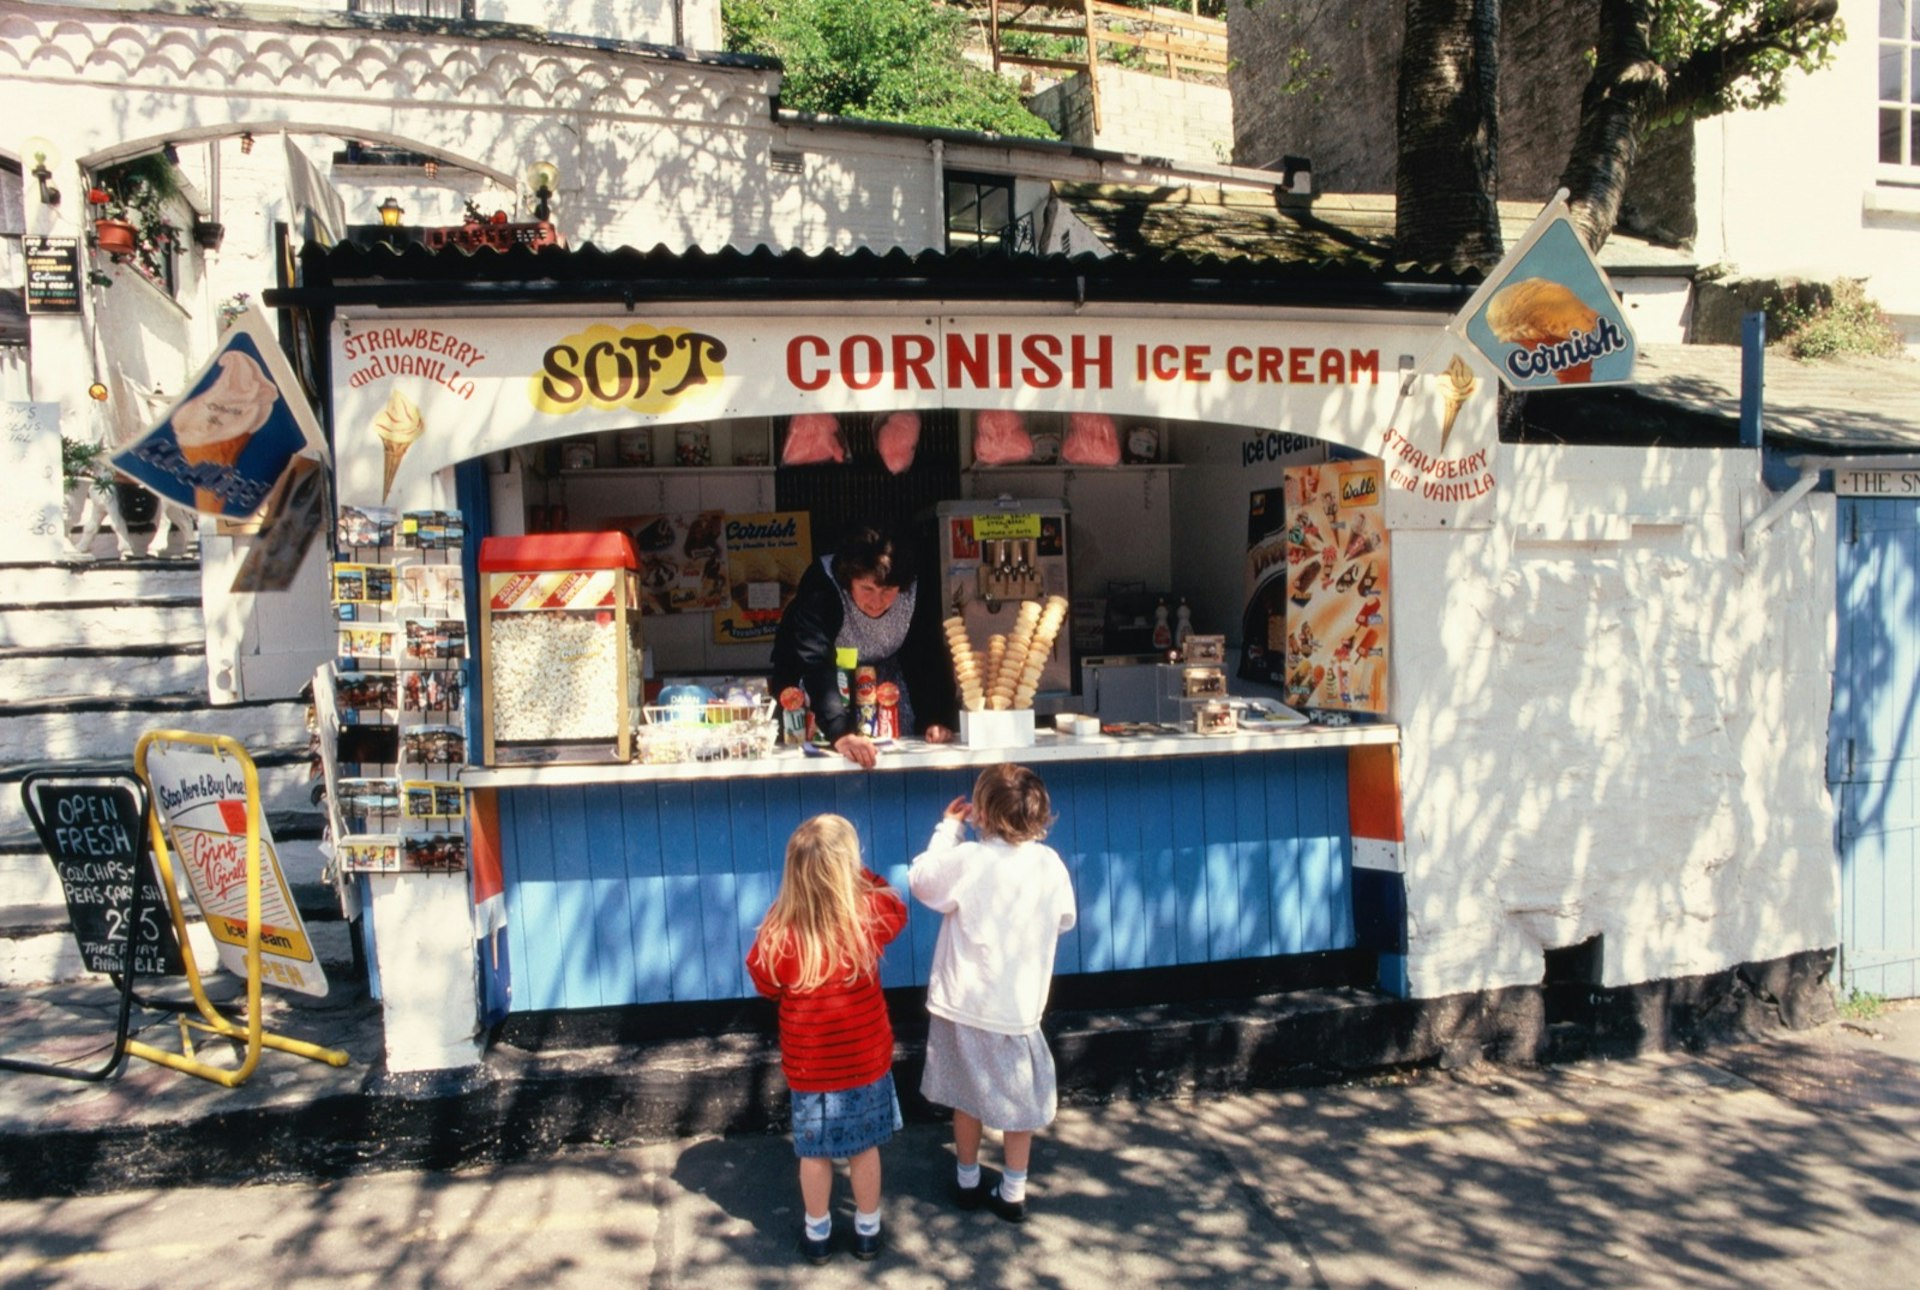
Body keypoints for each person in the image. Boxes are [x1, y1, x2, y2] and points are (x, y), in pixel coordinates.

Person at [909, 764, 1077, 1224]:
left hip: (964, 1003)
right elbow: (1065, 919)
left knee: (967, 1097)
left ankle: (966, 1179)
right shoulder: (1049, 865)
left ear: (979, 813)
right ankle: (1013, 1191)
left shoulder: (969, 860)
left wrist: (948, 829)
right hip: (1017, 1007)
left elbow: (922, 880)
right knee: (1017, 1109)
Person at [746, 814, 909, 1265]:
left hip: (811, 1068)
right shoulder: (866, 916)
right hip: (864, 1062)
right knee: (863, 1150)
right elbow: (898, 906)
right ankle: (868, 1231)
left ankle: (817, 1234)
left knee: (813, 1153)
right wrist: (862, 876)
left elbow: (764, 980)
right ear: (848, 870)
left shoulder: (780, 928)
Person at [770, 525, 956, 768]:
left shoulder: (914, 588)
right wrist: (841, 733)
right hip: (820, 684)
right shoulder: (822, 584)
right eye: (867, 588)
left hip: (883, 685)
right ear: (849, 581)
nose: (876, 602)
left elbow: (927, 656)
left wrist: (937, 718)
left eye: (888, 590)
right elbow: (814, 662)